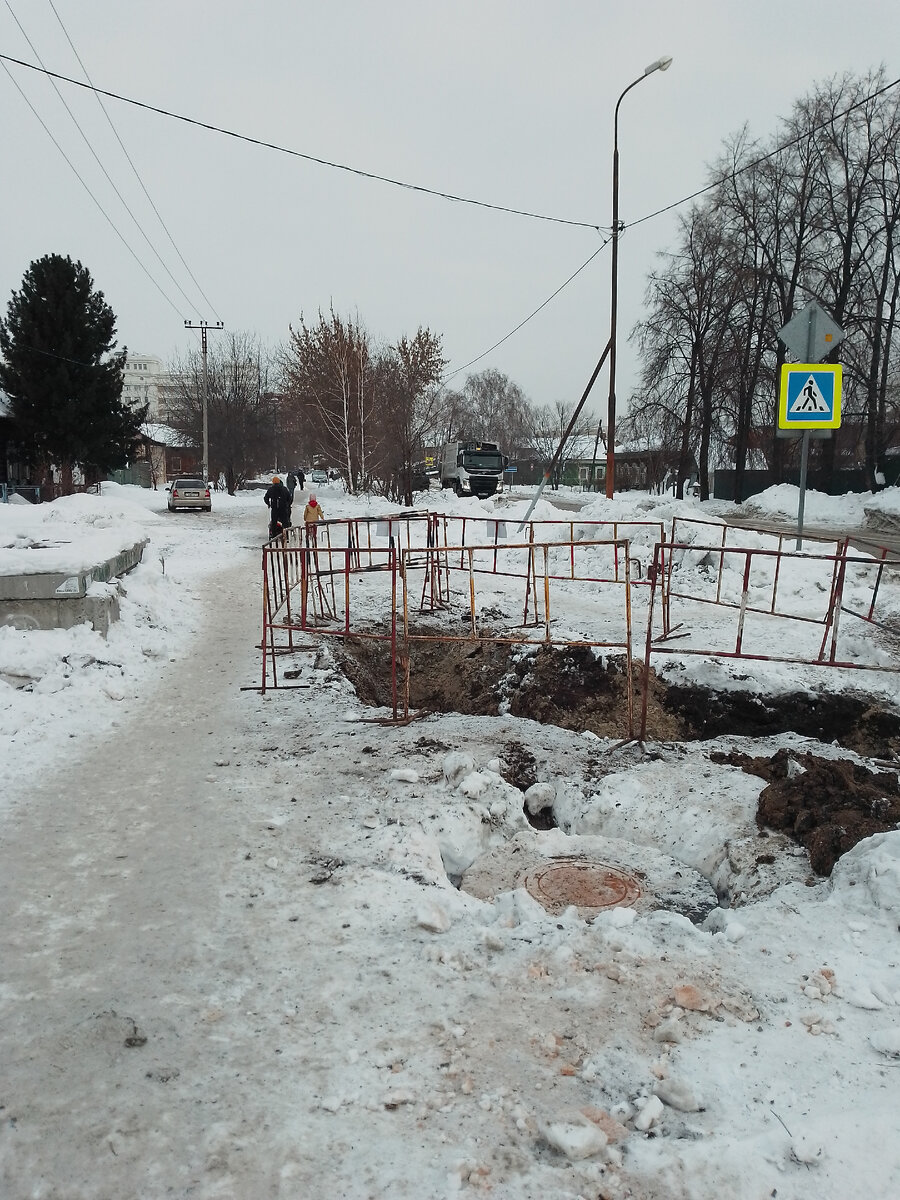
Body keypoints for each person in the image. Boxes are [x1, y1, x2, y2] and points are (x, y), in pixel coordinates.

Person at [263, 475, 292, 540]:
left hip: (275, 508)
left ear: (273, 482)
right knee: (285, 522)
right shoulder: (284, 489)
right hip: (283, 508)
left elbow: (266, 498)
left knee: (274, 522)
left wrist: (268, 503)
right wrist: (288, 505)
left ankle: (274, 535)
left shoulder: (271, 489)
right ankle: (286, 536)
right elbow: (289, 498)